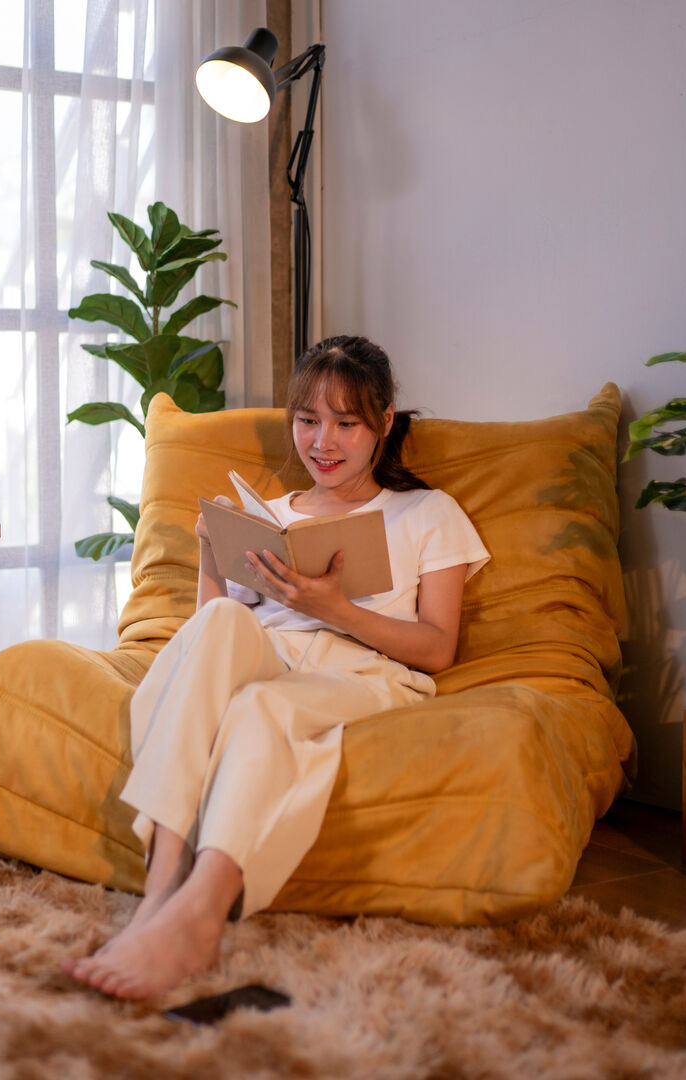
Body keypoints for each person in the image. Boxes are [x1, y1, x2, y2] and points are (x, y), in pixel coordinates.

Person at [63, 335, 490, 1001]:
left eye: (346, 423)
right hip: (267, 656)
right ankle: (158, 891)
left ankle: (200, 914)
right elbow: (208, 635)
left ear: (384, 422)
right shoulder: (275, 518)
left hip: (359, 673)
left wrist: (332, 607)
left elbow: (438, 648)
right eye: (308, 420)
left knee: (260, 712)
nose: (324, 442)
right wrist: (212, 554)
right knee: (228, 621)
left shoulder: (427, 513)